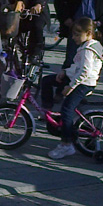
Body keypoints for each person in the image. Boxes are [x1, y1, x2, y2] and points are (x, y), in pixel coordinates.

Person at [41, 17, 103, 159]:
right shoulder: (89, 44)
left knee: (67, 110)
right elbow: (78, 67)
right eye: (73, 34)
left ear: (88, 33)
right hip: (77, 78)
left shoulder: (88, 49)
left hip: (84, 83)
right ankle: (47, 110)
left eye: (77, 34)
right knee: (47, 80)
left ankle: (66, 145)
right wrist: (65, 71)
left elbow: (85, 72)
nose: (74, 37)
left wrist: (70, 87)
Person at [54, 0, 103, 68]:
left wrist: (99, 22)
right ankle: (66, 82)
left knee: (90, 62)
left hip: (94, 28)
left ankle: (85, 84)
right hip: (77, 26)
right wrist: (66, 18)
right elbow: (59, 0)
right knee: (72, 59)